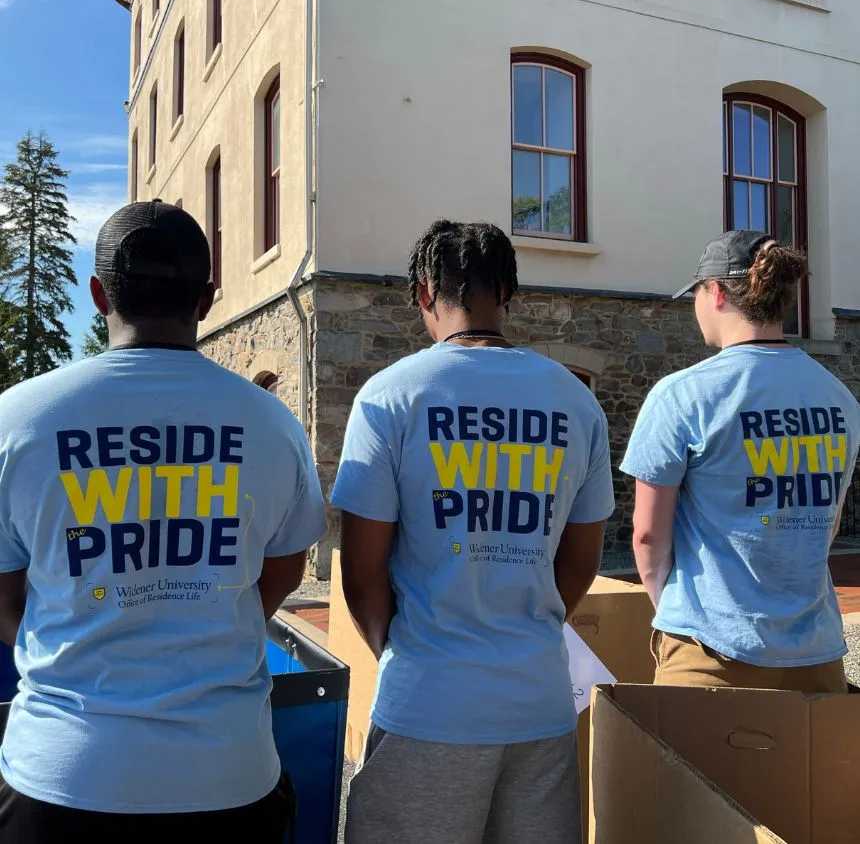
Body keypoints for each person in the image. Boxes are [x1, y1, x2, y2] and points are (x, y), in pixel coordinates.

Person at [0, 200, 327, 840]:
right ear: (208, 298)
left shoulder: (18, 420)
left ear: (97, 294)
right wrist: (205, 617)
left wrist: (84, 628)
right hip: (225, 777)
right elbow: (284, 573)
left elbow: (3, 597)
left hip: (61, 778)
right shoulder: (271, 424)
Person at [331, 220, 615, 844]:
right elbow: (581, 560)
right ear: (508, 292)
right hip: (538, 704)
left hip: (428, 702)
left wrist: (402, 654)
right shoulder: (575, 401)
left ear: (425, 295)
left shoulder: (391, 396)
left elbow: (361, 571)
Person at [621, 230, 860, 692]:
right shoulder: (839, 398)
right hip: (816, 654)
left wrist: (676, 612)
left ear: (714, 292)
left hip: (708, 653)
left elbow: (648, 536)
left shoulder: (683, 394)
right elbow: (827, 522)